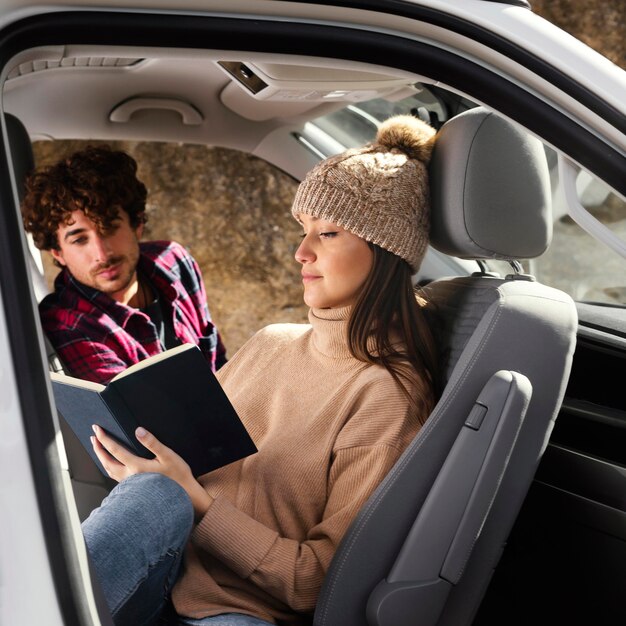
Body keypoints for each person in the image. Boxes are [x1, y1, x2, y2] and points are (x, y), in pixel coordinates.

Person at [82, 114, 440, 626]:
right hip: (161, 573)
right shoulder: (273, 342)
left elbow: (313, 581)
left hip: (242, 610)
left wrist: (195, 502)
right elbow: (184, 461)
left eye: (328, 232)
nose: (301, 252)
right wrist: (139, 461)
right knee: (149, 492)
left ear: (384, 249)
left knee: (162, 494)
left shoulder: (385, 395)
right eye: (303, 230)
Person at [21, 145, 226, 384]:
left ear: (137, 224)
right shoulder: (68, 325)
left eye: (109, 228)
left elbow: (219, 363)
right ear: (58, 253)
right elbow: (144, 415)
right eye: (79, 239)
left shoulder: (174, 261)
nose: (101, 253)